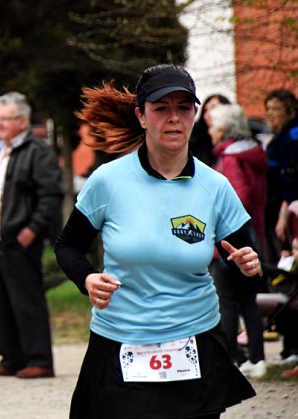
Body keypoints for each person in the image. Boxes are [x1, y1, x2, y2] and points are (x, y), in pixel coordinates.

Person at [55, 64, 262, 419]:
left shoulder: (214, 186)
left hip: (195, 340)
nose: (173, 118)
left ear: (195, 115)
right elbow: (67, 246)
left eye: (183, 108)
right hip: (121, 339)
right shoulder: (108, 181)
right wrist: (87, 278)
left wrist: (249, 265)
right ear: (141, 115)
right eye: (161, 108)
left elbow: (249, 262)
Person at [0, 92, 62, 379]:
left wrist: (32, 230)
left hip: (19, 240)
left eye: (6, 118)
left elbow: (50, 196)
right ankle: (11, 358)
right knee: (0, 303)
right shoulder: (0, 152)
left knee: (27, 301)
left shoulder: (38, 152)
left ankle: (39, 359)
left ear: (23, 121)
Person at [207, 103, 268, 377]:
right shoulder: (249, 154)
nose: (209, 132)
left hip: (229, 244)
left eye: (211, 127)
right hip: (252, 238)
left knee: (228, 301)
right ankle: (256, 358)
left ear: (222, 130)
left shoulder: (230, 159)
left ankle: (232, 359)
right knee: (248, 300)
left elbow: (236, 200)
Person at [263, 90, 298, 365]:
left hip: (287, 211)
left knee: (289, 276)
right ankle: (288, 345)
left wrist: (284, 214)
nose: (270, 113)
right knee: (282, 276)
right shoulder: (278, 137)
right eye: (268, 108)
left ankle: (293, 346)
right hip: (276, 207)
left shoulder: (293, 136)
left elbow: (291, 178)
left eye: (276, 108)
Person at [188, 94, 231, 167]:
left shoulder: (238, 144)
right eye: (206, 110)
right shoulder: (195, 142)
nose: (208, 114)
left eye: (214, 108)